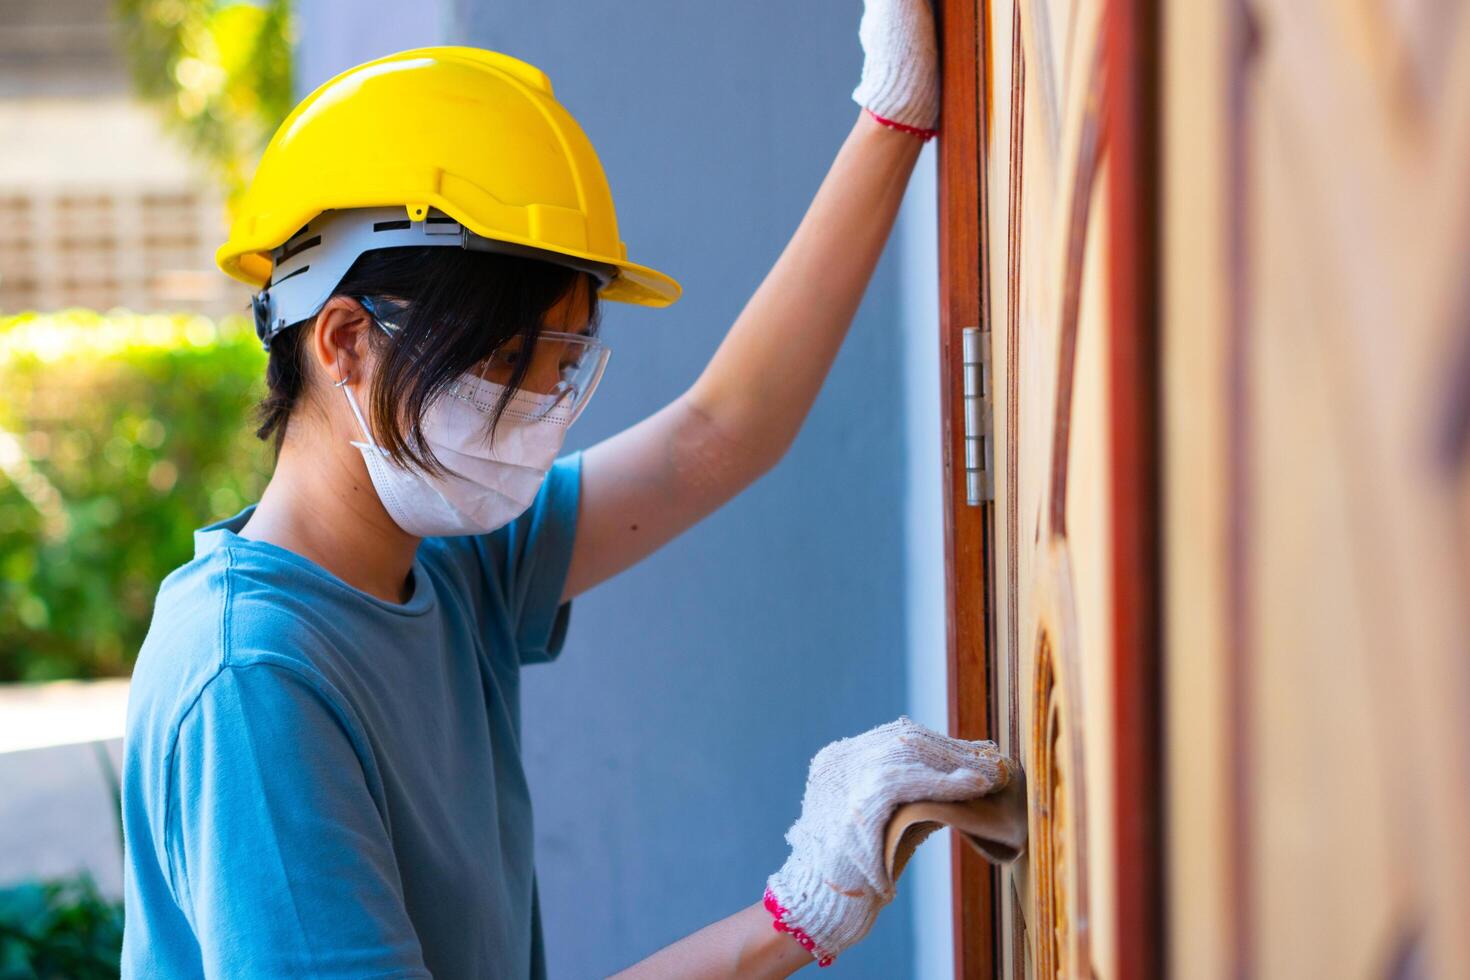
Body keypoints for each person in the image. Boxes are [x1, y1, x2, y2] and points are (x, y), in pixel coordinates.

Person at [120, 1, 1012, 976]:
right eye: (503, 358)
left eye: (556, 362)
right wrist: (797, 913)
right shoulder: (253, 681)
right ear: (344, 342)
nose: (537, 408)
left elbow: (720, 434)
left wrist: (891, 116)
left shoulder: (444, 558)